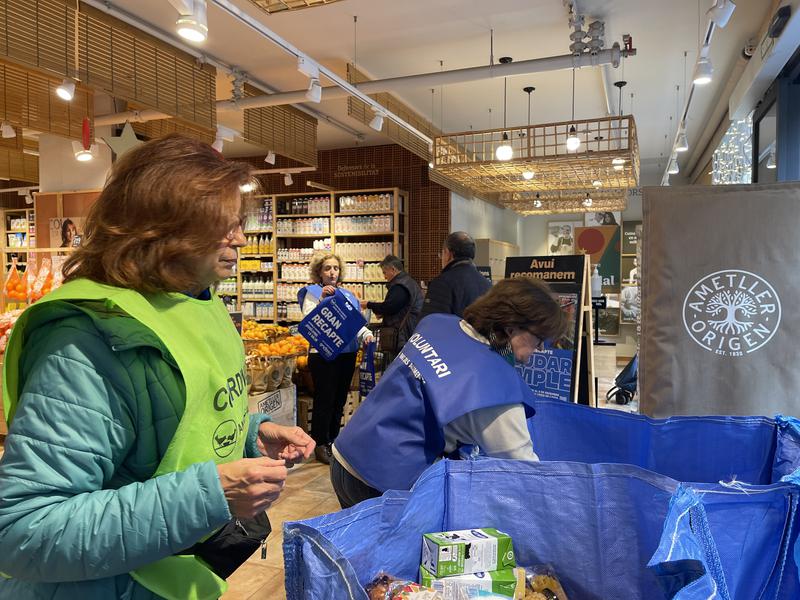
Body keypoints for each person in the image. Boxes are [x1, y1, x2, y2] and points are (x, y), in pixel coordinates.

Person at [0, 134, 315, 600]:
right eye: (222, 225)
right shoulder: (86, 341)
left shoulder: (195, 303)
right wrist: (211, 494)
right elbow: (25, 531)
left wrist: (249, 433)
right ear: (163, 228)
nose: (241, 239)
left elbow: (169, 421)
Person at [330, 277, 565, 508]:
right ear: (512, 327)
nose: (542, 347)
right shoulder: (495, 388)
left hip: (346, 455)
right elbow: (525, 471)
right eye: (540, 337)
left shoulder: (437, 324)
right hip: (380, 482)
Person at [298, 254, 373, 465]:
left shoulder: (348, 296)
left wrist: (366, 334)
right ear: (319, 272)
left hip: (347, 354)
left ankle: (333, 440)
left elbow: (354, 324)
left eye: (336, 268)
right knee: (325, 399)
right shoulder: (312, 293)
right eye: (327, 268)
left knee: (339, 399)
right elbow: (308, 320)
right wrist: (323, 299)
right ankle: (320, 443)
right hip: (323, 355)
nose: (332, 272)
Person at [359, 255, 423, 359]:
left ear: (392, 270)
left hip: (403, 334)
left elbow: (390, 306)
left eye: (385, 272)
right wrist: (383, 312)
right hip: (409, 330)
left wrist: (368, 304)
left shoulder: (400, 286)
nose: (384, 277)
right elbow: (399, 307)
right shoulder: (408, 282)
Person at [419, 231, 491, 319]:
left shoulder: (442, 283)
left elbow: (430, 322)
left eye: (442, 254)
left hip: (451, 332)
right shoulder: (486, 284)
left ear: (448, 254)